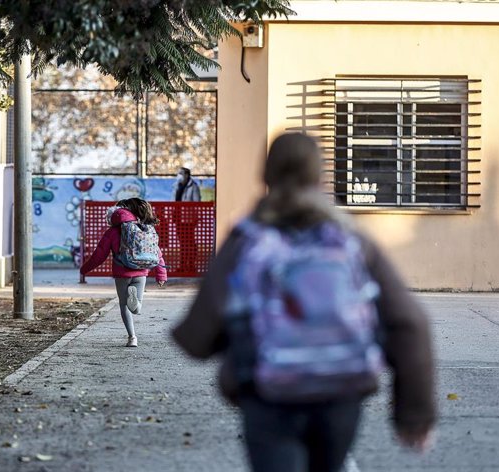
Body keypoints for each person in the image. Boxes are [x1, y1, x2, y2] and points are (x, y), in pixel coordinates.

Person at [172, 133, 436, 472]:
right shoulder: (350, 238)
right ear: (319, 177)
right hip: (340, 393)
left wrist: (232, 344)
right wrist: (414, 414)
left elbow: (197, 336)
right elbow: (408, 322)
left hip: (267, 395)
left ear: (265, 176)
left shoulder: (247, 240)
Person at [81, 198, 167, 347]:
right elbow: (157, 253)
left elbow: (99, 254)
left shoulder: (113, 231)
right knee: (136, 307)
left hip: (122, 272)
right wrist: (161, 274)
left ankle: (132, 337)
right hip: (141, 272)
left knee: (123, 305)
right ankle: (137, 304)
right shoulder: (145, 228)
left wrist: (85, 269)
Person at [173, 167, 201, 273]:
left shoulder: (193, 186)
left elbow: (197, 203)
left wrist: (194, 217)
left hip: (189, 220)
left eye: (181, 173)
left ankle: (191, 265)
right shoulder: (177, 186)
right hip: (178, 218)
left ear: (187, 175)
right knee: (182, 243)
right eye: (178, 173)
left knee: (190, 243)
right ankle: (182, 265)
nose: (179, 175)